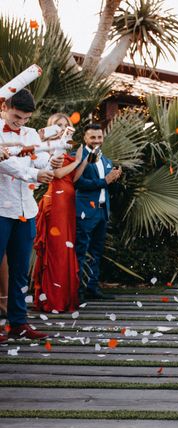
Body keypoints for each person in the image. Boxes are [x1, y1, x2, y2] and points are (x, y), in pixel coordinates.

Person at [0, 89, 62, 341]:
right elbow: (6, 163)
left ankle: (18, 321)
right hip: (1, 209)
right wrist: (35, 175)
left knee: (20, 268)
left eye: (25, 119)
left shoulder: (32, 133)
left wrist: (50, 164)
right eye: (17, 117)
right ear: (5, 107)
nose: (21, 123)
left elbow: (41, 158)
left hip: (26, 209)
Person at [32, 114, 86, 312]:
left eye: (66, 125)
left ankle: (63, 298)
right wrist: (78, 160)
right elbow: (57, 174)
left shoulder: (66, 149)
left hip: (67, 203)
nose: (63, 128)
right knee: (56, 251)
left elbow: (73, 178)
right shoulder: (49, 150)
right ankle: (53, 300)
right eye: (58, 125)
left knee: (65, 249)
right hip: (55, 202)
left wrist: (84, 161)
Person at [74, 123, 121, 302]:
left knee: (96, 251)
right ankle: (77, 290)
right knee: (81, 251)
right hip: (86, 211)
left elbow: (108, 185)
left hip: (102, 211)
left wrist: (114, 178)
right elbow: (78, 183)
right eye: (92, 137)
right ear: (85, 138)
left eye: (99, 137)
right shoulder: (79, 157)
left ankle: (92, 288)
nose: (96, 140)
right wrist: (104, 181)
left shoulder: (105, 159)